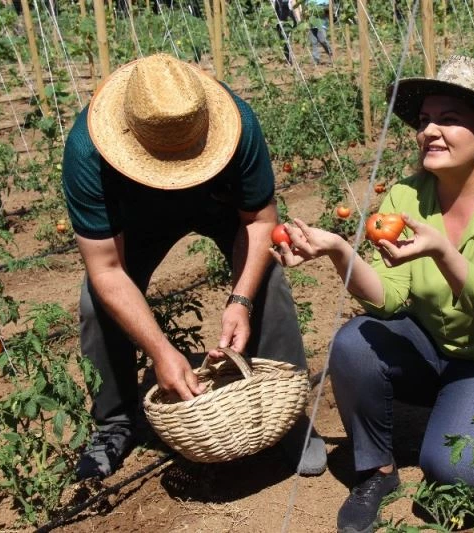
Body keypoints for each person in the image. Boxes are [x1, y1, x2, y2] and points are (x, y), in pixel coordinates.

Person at [271, 55, 474, 533]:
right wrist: (341, 251)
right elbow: (389, 298)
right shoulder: (405, 196)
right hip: (432, 348)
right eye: (425, 120)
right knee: (356, 341)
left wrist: (443, 250)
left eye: (449, 119)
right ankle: (376, 473)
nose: (430, 131)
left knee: (454, 473)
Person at [62, 53, 327, 480]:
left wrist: (240, 300)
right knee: (98, 301)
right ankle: (115, 421)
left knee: (268, 278)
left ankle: (289, 414)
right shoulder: (87, 152)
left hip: (217, 204)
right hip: (138, 218)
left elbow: (260, 222)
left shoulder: (238, 125)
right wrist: (161, 352)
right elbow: (107, 269)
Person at [305, 0, 332, 65]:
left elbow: (329, 9)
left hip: (321, 24)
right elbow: (306, 10)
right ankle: (316, 60)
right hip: (312, 24)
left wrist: (320, 10)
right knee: (314, 42)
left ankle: (330, 53)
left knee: (322, 40)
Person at [273, 0, 299, 65]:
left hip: (288, 23)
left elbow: (295, 8)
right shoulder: (274, 1)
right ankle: (288, 59)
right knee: (283, 42)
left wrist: (298, 20)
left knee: (287, 41)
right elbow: (274, 12)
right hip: (279, 23)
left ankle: (289, 60)